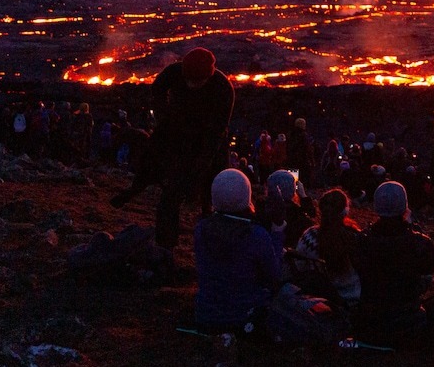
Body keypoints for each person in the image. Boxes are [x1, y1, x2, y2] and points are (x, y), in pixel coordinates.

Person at [354, 180, 434, 349]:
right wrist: (412, 226)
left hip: (369, 320)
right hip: (406, 318)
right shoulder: (417, 243)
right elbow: (432, 263)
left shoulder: (361, 240)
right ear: (404, 206)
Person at [147, 47, 235, 250]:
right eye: (189, 80)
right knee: (170, 195)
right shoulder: (174, 72)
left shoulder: (223, 89)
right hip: (180, 138)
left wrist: (199, 168)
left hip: (211, 142)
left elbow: (216, 134)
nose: (192, 85)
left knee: (213, 194)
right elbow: (157, 89)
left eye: (198, 81)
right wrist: (164, 118)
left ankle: (213, 243)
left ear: (209, 75)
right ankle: (165, 247)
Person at [194, 168, 285, 332]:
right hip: (246, 317)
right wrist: (278, 231)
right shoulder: (256, 235)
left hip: (205, 315)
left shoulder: (201, 229)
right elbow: (274, 277)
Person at [292, 187, 364, 307]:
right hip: (352, 300)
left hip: (318, 300)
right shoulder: (355, 238)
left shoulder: (309, 236)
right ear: (345, 211)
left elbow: (299, 265)